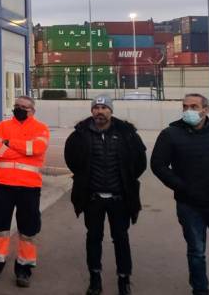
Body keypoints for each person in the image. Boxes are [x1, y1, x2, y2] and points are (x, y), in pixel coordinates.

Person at [151, 93, 209, 295]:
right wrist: (180, 186)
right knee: (197, 253)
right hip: (189, 206)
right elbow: (158, 164)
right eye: (185, 106)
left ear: (206, 110)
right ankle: (200, 290)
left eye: (194, 106)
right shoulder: (170, 134)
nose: (188, 111)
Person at [64, 96, 147, 295]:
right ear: (92, 111)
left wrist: (125, 180)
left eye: (104, 107)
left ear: (111, 110)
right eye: (96, 107)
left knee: (121, 238)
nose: (100, 111)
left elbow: (139, 163)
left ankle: (124, 280)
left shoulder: (127, 133)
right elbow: (72, 160)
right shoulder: (79, 134)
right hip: (93, 199)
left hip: (119, 199)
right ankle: (95, 279)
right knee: (93, 238)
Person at [0, 95, 49, 288]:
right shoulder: (3, 126)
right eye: (16, 105)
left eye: (24, 107)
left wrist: (9, 143)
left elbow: (37, 148)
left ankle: (24, 269)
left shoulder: (40, 128)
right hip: (4, 186)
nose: (19, 109)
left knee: (28, 229)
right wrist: (23, 150)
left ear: (32, 110)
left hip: (29, 187)